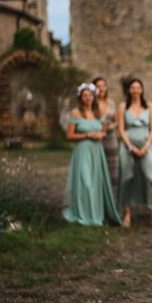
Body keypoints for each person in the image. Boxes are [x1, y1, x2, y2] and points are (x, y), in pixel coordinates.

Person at [62, 83, 122, 226]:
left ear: (94, 97)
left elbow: (102, 131)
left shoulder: (97, 113)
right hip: (82, 151)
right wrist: (88, 135)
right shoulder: (76, 113)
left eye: (90, 95)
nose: (88, 98)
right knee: (85, 182)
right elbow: (70, 135)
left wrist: (101, 134)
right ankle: (84, 214)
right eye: (85, 95)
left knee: (95, 183)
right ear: (80, 97)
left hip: (97, 151)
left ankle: (97, 213)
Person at [116, 78, 152, 229]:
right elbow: (121, 130)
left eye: (138, 87)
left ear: (142, 90)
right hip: (128, 145)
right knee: (127, 177)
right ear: (129, 90)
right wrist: (130, 147)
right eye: (133, 88)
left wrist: (146, 146)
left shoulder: (149, 106)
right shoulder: (123, 107)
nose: (135, 90)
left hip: (146, 144)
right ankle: (127, 213)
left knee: (151, 177)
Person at [92, 76, 119, 193]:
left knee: (112, 171)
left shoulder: (111, 103)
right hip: (95, 139)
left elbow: (116, 121)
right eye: (98, 86)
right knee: (96, 170)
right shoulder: (90, 103)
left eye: (103, 86)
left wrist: (111, 126)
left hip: (110, 139)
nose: (101, 88)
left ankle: (112, 202)